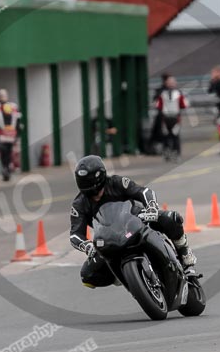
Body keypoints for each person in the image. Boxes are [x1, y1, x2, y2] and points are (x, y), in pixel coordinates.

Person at [70, 155, 197, 288]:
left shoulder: (116, 182)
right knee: (87, 276)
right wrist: (86, 245)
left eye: (97, 191)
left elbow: (143, 191)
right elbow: (75, 234)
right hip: (109, 238)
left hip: (135, 218)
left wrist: (151, 206)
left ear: (101, 178)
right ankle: (121, 276)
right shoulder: (79, 204)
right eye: (90, 194)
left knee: (171, 218)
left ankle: (185, 254)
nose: (96, 196)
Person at [0, 89, 21, 181]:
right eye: (1, 95)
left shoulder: (12, 107)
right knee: (4, 154)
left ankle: (7, 169)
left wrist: (18, 135)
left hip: (9, 136)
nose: (2, 97)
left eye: (3, 95)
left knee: (8, 154)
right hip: (2, 136)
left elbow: (19, 122)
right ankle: (6, 169)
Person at [155, 75, 188, 157]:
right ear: (166, 83)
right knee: (166, 136)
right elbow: (158, 105)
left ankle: (176, 153)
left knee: (175, 135)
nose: (171, 84)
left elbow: (184, 105)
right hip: (165, 118)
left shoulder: (178, 93)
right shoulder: (162, 93)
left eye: (172, 82)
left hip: (175, 118)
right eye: (169, 82)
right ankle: (167, 153)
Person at [149, 74, 169, 150]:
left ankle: (166, 147)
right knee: (161, 131)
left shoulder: (160, 90)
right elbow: (155, 102)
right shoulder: (160, 91)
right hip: (163, 115)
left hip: (165, 115)